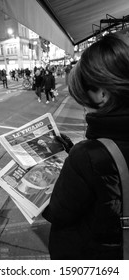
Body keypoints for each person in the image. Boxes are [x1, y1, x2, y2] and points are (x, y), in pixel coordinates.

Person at [42, 32, 129, 260]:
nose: (83, 107)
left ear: (102, 93)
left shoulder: (87, 157)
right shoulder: (89, 156)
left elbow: (57, 212)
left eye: (84, 98)